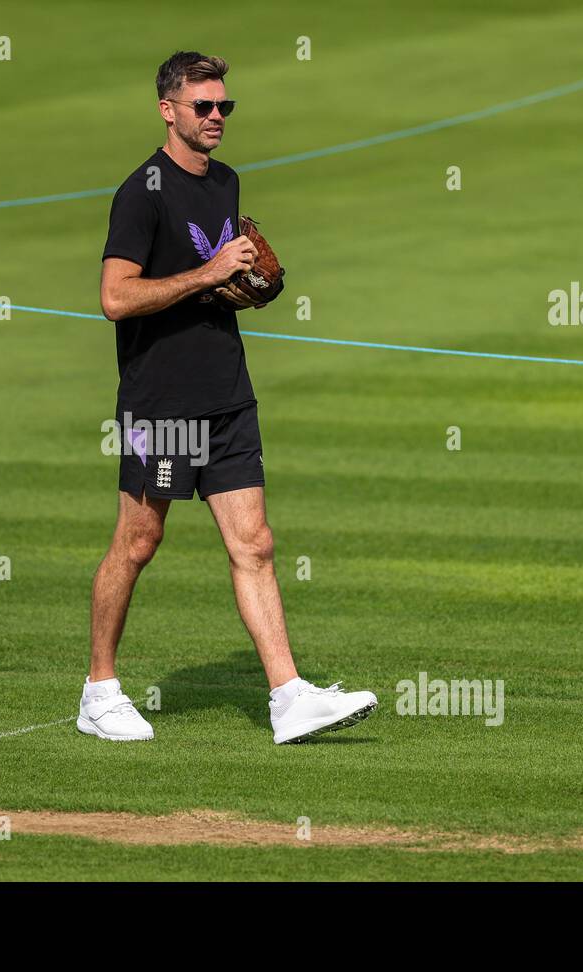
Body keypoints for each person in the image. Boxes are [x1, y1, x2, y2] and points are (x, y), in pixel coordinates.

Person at [81, 52, 378, 745]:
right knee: (139, 540)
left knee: (256, 543)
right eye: (204, 106)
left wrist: (238, 289)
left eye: (225, 106)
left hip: (227, 393)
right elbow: (115, 298)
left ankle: (288, 697)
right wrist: (208, 272)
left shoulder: (225, 182)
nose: (217, 116)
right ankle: (99, 691)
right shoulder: (142, 192)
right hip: (163, 403)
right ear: (168, 111)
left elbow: (214, 282)